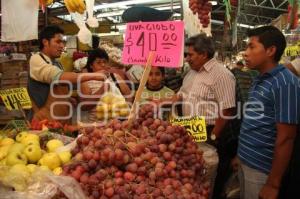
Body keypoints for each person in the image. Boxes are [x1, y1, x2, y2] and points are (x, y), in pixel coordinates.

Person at [162, 33, 236, 199]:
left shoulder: (221, 75)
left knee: (209, 176)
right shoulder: (191, 73)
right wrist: (162, 102)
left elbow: (228, 110)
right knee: (193, 176)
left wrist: (214, 135)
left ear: (203, 54)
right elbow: (182, 94)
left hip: (210, 132)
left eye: (190, 54)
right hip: (191, 129)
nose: (187, 58)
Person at [237, 26, 300, 199]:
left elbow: (286, 137)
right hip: (246, 161)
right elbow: (253, 122)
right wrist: (240, 155)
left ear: (271, 50)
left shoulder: (286, 83)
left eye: (252, 47)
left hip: (262, 169)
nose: (245, 53)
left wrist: (273, 183)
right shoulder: (259, 79)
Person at [28, 25, 107, 124]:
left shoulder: (57, 63)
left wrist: (67, 98)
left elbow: (56, 88)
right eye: (58, 41)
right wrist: (94, 75)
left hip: (60, 121)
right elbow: (58, 77)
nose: (62, 46)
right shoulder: (36, 59)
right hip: (44, 122)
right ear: (45, 42)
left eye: (63, 42)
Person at [79, 48, 133, 122]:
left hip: (117, 125)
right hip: (96, 127)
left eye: (105, 62)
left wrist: (125, 112)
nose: (103, 65)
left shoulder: (115, 76)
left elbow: (128, 94)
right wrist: (102, 90)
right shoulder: (86, 79)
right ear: (91, 65)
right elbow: (84, 106)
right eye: (98, 62)